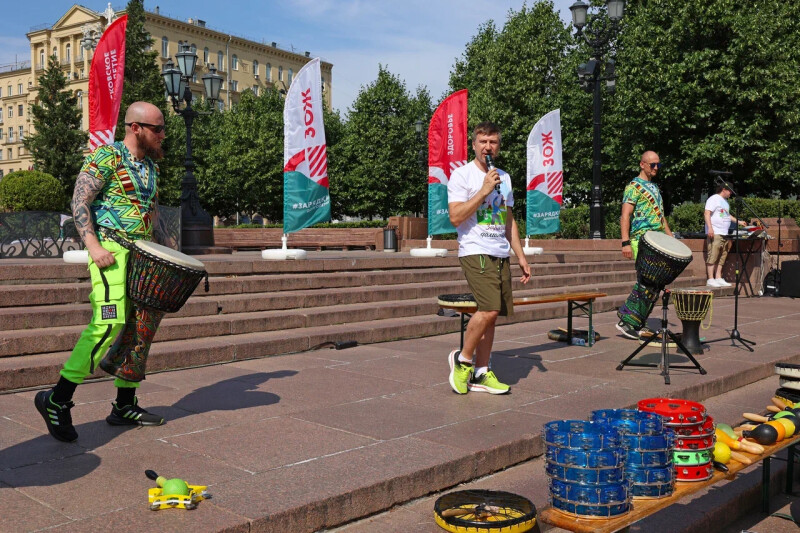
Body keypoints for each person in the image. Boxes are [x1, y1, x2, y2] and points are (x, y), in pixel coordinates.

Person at [35, 102, 170, 442]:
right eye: (157, 129)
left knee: (141, 327)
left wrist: (169, 250)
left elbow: (152, 212)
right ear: (135, 127)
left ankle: (124, 404)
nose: (162, 135)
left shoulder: (151, 167)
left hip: (143, 257)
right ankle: (57, 399)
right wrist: (94, 247)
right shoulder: (106, 157)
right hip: (111, 252)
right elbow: (79, 201)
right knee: (108, 321)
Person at [446, 122, 531, 395]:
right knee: (489, 309)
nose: (487, 147)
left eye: (493, 142)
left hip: (499, 252)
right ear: (474, 145)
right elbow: (456, 217)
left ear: (499, 146)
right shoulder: (462, 176)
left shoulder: (504, 177)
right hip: (474, 250)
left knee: (494, 316)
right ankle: (463, 362)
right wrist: (482, 191)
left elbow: (508, 220)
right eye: (483, 141)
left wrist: (520, 256)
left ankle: (481, 372)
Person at [616, 151, 674, 339]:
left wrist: (670, 237)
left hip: (657, 241)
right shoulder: (633, 187)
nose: (656, 168)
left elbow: (661, 217)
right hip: (641, 240)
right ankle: (626, 321)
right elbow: (625, 215)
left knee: (655, 284)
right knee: (646, 281)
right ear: (642, 165)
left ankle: (638, 320)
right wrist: (625, 242)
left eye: (658, 165)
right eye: (652, 165)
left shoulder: (654, 187)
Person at [704, 182, 746, 287]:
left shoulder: (725, 202)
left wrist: (739, 222)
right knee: (713, 254)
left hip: (724, 233)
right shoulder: (713, 199)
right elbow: (707, 213)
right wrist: (710, 228)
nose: (731, 193)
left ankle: (718, 277)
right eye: (730, 191)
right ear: (723, 189)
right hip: (716, 232)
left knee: (722, 255)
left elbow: (727, 216)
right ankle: (710, 279)